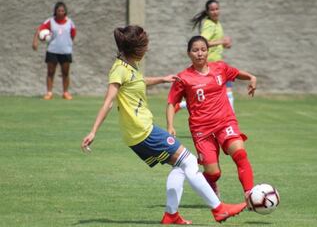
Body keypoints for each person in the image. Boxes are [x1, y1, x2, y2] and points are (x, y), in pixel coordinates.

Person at [80, 25, 247, 225]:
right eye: (145, 46)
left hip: (135, 134)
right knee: (191, 163)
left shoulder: (129, 65)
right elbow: (108, 101)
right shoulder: (118, 70)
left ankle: (171, 215)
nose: (147, 50)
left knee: (180, 165)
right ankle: (219, 209)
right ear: (136, 48)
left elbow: (138, 81)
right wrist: (93, 131)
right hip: (144, 131)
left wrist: (162, 79)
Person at [167, 35, 256, 200]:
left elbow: (236, 73)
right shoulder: (183, 78)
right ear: (189, 54)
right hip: (201, 129)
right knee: (213, 172)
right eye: (195, 50)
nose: (199, 53)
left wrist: (251, 77)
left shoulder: (220, 68)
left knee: (240, 154)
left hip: (225, 122)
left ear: (208, 52)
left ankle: (250, 195)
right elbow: (172, 102)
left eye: (203, 49)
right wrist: (170, 125)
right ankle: (211, 183)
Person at [175, 0, 234, 112]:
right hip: (212, 64)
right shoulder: (209, 25)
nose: (215, 12)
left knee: (212, 95)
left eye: (217, 9)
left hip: (217, 62)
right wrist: (222, 41)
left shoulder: (217, 24)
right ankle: (230, 119)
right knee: (227, 92)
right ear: (207, 12)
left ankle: (182, 105)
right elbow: (203, 42)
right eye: (212, 10)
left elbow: (214, 43)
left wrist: (225, 44)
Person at [32, 1, 76, 100]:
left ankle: (65, 92)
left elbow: (73, 34)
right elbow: (39, 29)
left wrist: (67, 44)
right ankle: (49, 93)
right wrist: (35, 41)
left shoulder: (70, 22)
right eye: (59, 10)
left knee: (65, 73)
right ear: (55, 11)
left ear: (65, 12)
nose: (60, 12)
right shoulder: (50, 21)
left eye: (62, 11)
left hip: (66, 51)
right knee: (50, 72)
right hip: (52, 51)